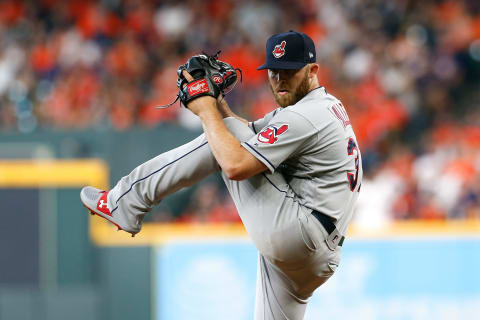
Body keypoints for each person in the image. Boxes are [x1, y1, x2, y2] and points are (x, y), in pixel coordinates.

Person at [80, 30, 362, 320]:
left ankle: (125, 201)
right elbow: (250, 134)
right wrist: (217, 102)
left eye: (289, 71)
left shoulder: (304, 115)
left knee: (221, 137)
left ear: (313, 70)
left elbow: (235, 163)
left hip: (299, 231)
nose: (279, 80)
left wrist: (205, 110)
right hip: (317, 252)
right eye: (274, 71)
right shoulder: (321, 107)